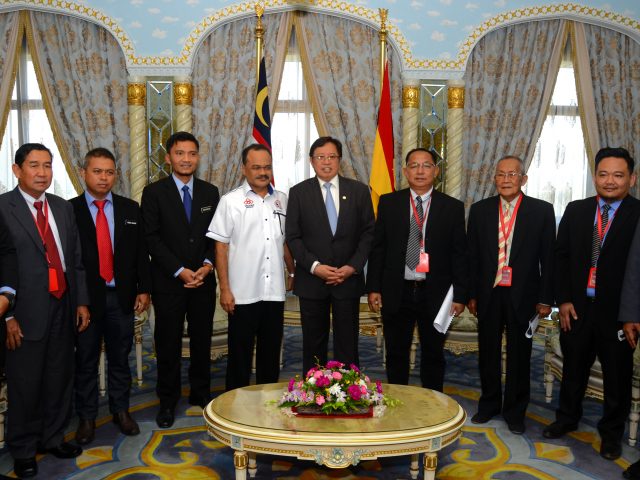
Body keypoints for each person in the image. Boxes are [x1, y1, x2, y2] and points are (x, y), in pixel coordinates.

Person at [0, 143, 90, 478]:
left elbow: (75, 260)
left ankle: (52, 437)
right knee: (25, 384)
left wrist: (80, 301)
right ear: (17, 170)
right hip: (22, 312)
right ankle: (23, 449)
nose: (42, 173)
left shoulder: (62, 207)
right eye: (34, 165)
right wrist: (7, 316)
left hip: (63, 304)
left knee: (58, 376)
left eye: (48, 165)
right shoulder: (3, 208)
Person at [544, 147, 640, 461]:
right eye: (603, 174)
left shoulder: (637, 213)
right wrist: (563, 300)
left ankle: (611, 434)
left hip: (618, 314)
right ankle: (566, 418)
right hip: (577, 308)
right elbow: (560, 258)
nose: (610, 181)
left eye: (618, 175)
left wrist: (633, 314)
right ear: (595, 176)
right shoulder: (576, 210)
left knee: (617, 377)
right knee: (573, 368)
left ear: (632, 179)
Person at [467, 155, 555, 434]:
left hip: (524, 296)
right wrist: (471, 294)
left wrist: (545, 299)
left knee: (520, 355)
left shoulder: (541, 211)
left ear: (523, 179)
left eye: (512, 174)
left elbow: (549, 259)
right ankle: (489, 404)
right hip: (488, 294)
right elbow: (472, 256)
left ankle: (515, 412)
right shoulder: (480, 210)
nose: (506, 180)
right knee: (488, 352)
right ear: (494, 178)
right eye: (500, 175)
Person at [367, 148, 467, 391]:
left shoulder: (452, 207)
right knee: (396, 351)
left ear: (436, 171)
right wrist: (373, 288)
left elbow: (459, 254)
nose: (420, 171)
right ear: (405, 171)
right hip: (396, 289)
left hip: (435, 292)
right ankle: (398, 399)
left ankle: (434, 402)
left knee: (433, 353)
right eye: (414, 166)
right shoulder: (389, 203)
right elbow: (378, 248)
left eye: (426, 165)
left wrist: (461, 295)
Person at [70, 148, 151, 445]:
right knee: (86, 361)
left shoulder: (130, 208)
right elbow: (70, 261)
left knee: (120, 357)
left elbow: (141, 252)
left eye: (109, 172)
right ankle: (87, 418)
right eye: (97, 171)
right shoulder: (69, 210)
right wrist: (78, 300)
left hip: (121, 297)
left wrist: (144, 288)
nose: (103, 178)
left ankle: (120, 411)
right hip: (87, 301)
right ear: (83, 173)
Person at [141, 132, 220, 428]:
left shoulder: (210, 192)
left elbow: (217, 235)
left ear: (198, 157)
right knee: (167, 344)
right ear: (168, 157)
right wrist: (179, 270)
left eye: (192, 153)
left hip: (203, 281)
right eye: (180, 153)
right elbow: (151, 238)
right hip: (168, 283)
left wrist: (207, 265)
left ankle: (201, 393)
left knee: (202, 340)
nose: (186, 159)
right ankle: (167, 400)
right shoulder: (153, 193)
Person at [207, 144, 294, 390]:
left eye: (267, 167)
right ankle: (235, 402)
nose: (262, 172)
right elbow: (220, 247)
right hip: (242, 293)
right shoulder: (230, 201)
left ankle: (267, 400)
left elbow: (283, 241)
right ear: (244, 169)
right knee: (240, 355)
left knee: (270, 352)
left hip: (274, 292)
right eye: (256, 167)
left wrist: (292, 270)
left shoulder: (282, 200)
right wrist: (225, 289)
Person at [285, 136, 375, 375]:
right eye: (320, 157)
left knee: (348, 342)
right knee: (313, 342)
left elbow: (368, 233)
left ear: (340, 160)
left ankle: (350, 388)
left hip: (348, 279)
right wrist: (315, 266)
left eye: (332, 157)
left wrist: (352, 267)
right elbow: (293, 237)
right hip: (312, 280)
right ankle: (313, 387)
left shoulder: (358, 191)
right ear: (311, 161)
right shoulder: (298, 192)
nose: (326, 162)